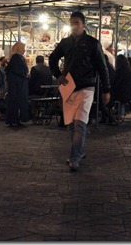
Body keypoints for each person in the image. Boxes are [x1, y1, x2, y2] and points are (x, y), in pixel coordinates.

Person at [48, 12, 111, 172]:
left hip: (86, 87)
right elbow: (52, 58)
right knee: (70, 125)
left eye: (77, 22)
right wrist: (58, 75)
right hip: (69, 87)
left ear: (83, 24)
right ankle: (79, 151)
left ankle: (74, 157)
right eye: (72, 23)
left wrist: (106, 89)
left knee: (80, 123)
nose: (74, 26)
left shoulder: (92, 43)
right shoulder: (66, 42)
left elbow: (102, 68)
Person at [5, 42, 30, 127]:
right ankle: (15, 120)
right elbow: (18, 70)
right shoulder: (17, 58)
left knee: (16, 102)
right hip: (17, 84)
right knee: (16, 101)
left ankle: (15, 119)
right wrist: (25, 74)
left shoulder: (17, 58)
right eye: (23, 48)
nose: (24, 50)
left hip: (16, 83)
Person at [111, 54, 131, 121]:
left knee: (115, 99)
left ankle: (118, 116)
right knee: (121, 103)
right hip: (128, 92)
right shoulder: (128, 70)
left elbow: (117, 82)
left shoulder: (119, 71)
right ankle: (121, 115)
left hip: (121, 92)